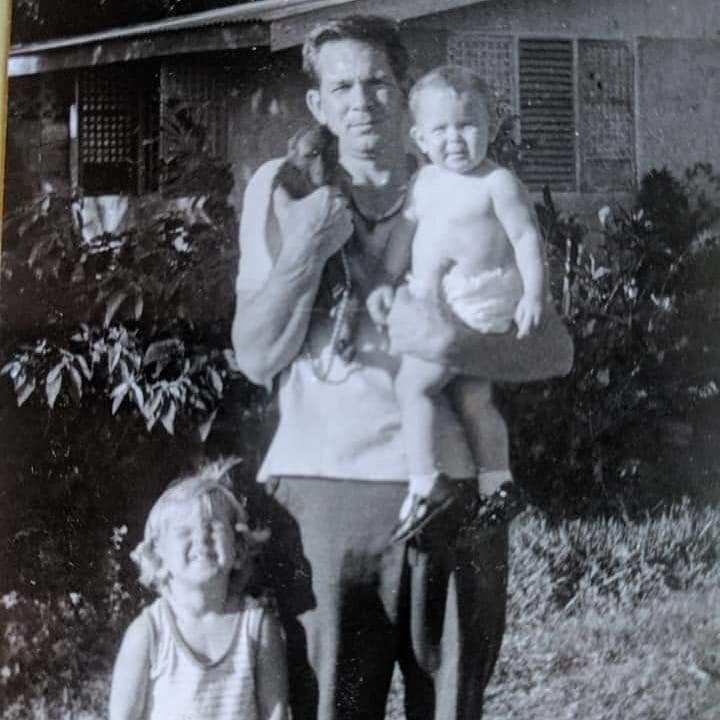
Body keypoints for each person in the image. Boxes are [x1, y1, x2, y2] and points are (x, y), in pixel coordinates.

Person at [232, 15, 573, 720]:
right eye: (343, 87)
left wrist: (459, 346)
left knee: (448, 708)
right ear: (319, 105)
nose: (363, 101)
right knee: (327, 708)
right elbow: (257, 355)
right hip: (324, 500)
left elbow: (553, 350)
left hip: (450, 493)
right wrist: (308, 248)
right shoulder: (283, 187)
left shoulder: (464, 181)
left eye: (379, 83)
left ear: (406, 90)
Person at [366, 65, 545, 543]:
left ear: (490, 127)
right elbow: (404, 233)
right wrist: (385, 278)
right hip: (440, 299)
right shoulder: (424, 183)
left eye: (468, 126)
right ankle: (497, 482)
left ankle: (426, 483)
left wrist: (534, 294)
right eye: (441, 130)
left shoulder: (496, 183)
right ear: (420, 138)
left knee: (414, 386)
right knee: (473, 398)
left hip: (474, 302)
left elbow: (526, 238)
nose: (456, 140)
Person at [109, 459, 288, 720]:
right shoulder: (150, 634)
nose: (201, 537)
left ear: (238, 548)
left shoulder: (257, 626)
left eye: (213, 526)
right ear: (159, 557)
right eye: (184, 531)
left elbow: (276, 712)